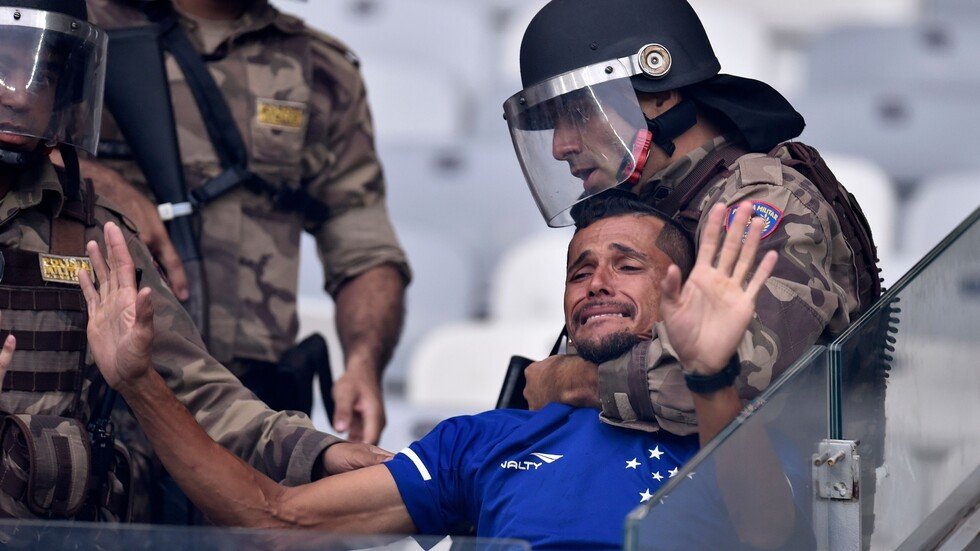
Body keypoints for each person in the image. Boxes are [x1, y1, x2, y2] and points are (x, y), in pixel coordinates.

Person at [59, 191, 781, 549]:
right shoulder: (487, 439)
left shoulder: (726, 421)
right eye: (579, 270)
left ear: (679, 287)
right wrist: (139, 383)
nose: (596, 283)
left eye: (627, 266)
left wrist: (709, 373)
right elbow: (273, 516)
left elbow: (775, 538)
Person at [0, 0, 384, 521]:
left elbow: (198, 392)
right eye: (3, 66)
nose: (20, 94)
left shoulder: (95, 237)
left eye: (43, 75)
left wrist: (319, 453)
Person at [504, 0, 876, 435]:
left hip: (781, 474)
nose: (559, 146)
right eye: (554, 123)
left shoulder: (762, 200)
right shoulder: (648, 206)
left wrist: (580, 381)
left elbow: (740, 374)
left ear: (660, 94)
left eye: (580, 112)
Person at [81, 0, 410, 444]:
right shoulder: (80, 27)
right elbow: (19, 140)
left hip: (250, 412)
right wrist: (108, 187)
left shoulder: (320, 68)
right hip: (102, 391)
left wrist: (363, 363)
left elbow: (363, 246)